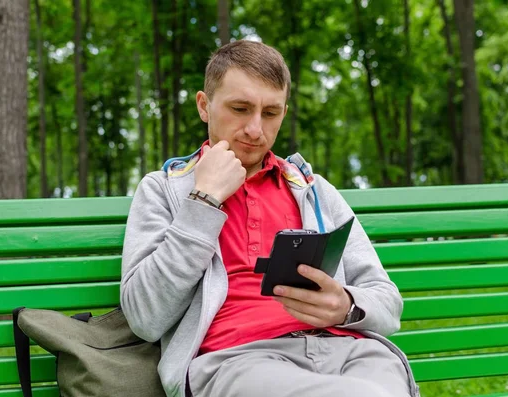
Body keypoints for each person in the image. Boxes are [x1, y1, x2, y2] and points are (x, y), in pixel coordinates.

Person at [120, 40, 419, 397]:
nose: (255, 129)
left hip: (349, 352)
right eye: (240, 108)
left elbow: (387, 300)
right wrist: (204, 200)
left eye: (271, 113)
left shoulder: (314, 190)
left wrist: (346, 306)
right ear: (204, 106)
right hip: (238, 360)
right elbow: (145, 317)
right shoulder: (163, 190)